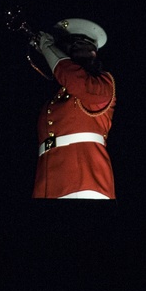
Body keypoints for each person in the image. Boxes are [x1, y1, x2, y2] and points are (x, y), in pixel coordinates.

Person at [29, 18, 116, 199]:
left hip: (86, 183)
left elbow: (73, 78)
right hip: (47, 185)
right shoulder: (58, 96)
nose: (69, 54)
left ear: (92, 52)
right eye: (68, 50)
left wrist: (48, 48)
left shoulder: (102, 84)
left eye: (76, 48)